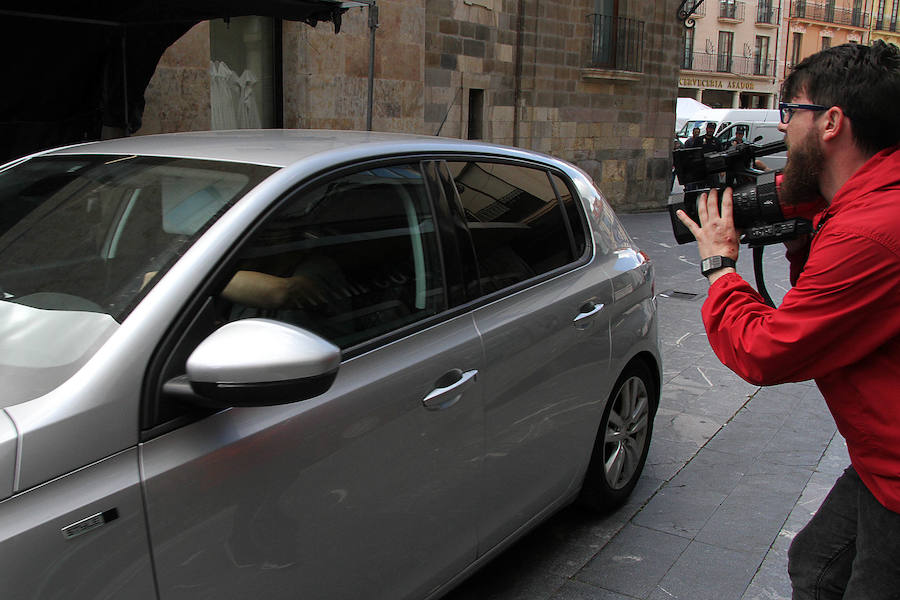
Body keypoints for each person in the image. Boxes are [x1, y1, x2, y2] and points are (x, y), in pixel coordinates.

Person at [676, 41, 900, 599]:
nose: (782, 129)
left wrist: (720, 268)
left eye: (788, 113)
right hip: (882, 462)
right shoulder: (868, 203)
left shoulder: (869, 229)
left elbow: (770, 348)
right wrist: (805, 223)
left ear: (830, 121)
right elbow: (830, 310)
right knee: (818, 563)